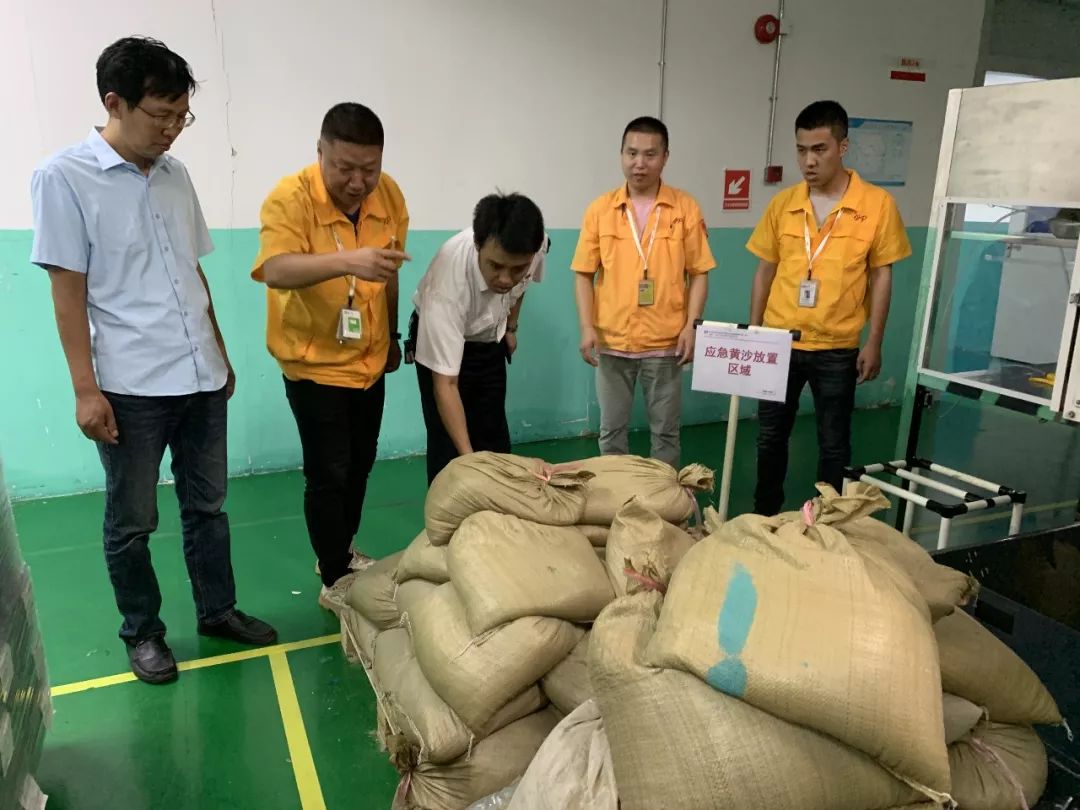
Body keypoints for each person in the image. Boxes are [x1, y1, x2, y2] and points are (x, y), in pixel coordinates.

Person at [30, 36, 277, 685]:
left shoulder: (175, 175)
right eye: (160, 116)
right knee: (133, 520)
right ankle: (142, 633)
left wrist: (219, 353)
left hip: (198, 374)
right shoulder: (63, 178)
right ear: (114, 102)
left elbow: (189, 270)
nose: (172, 130)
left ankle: (217, 609)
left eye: (181, 117)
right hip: (130, 385)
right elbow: (68, 293)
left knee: (209, 506)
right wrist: (85, 390)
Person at [252, 103, 409, 607]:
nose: (360, 182)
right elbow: (275, 269)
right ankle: (334, 580)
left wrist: (391, 340)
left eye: (370, 168)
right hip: (313, 365)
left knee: (360, 465)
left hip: (369, 361)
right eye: (345, 168)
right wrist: (349, 261)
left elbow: (389, 272)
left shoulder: (390, 197)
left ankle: (338, 552)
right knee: (328, 473)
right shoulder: (290, 199)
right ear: (320, 152)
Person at [747, 100, 912, 515]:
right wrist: (754, 335)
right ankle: (764, 515)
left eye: (819, 149)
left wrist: (873, 341)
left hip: (837, 346)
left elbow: (882, 277)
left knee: (833, 442)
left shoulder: (876, 206)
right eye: (801, 150)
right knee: (769, 437)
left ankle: (829, 518)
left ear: (843, 147)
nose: (808, 160)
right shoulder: (783, 204)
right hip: (779, 341)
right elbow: (765, 272)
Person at [571, 117, 715, 468]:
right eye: (632, 153)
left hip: (665, 343)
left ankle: (665, 501)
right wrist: (588, 328)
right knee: (611, 432)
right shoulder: (600, 210)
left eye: (650, 154)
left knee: (666, 433)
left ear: (665, 157)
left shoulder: (685, 208)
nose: (640, 163)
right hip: (612, 340)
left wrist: (691, 327)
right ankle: (614, 499)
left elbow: (699, 273)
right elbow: (583, 274)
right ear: (621, 154)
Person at [408, 193, 548, 484]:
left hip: (489, 338)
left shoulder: (535, 245)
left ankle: (497, 520)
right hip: (444, 336)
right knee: (450, 451)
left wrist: (511, 327)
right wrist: (469, 460)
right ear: (477, 246)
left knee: (495, 440)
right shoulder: (447, 286)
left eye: (516, 268)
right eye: (495, 266)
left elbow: (522, 286)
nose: (506, 278)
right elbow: (445, 385)